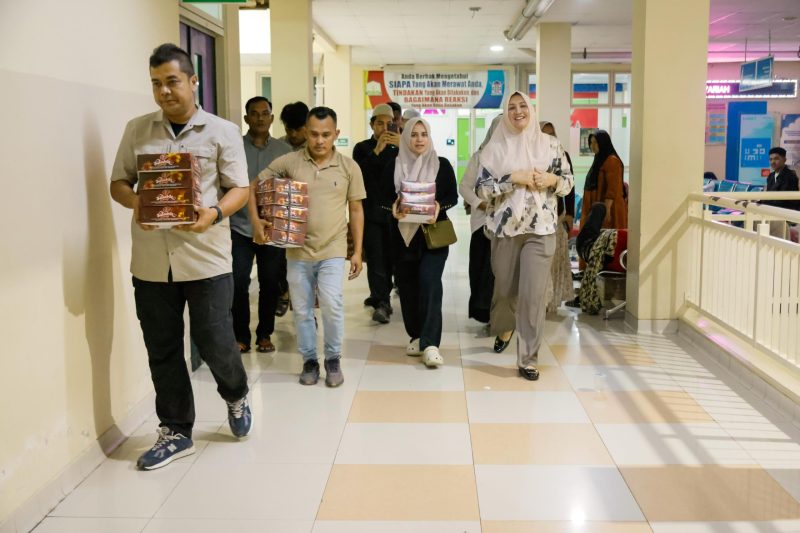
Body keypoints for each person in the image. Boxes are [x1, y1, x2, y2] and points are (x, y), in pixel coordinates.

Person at [109, 43, 252, 470]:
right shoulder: (138, 130)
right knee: (163, 348)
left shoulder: (222, 131)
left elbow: (239, 189)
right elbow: (118, 182)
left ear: (193, 82)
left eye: (172, 82)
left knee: (215, 342)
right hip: (152, 262)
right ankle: (176, 430)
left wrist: (212, 214)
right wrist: (140, 204)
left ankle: (236, 394)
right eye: (156, 84)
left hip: (206, 256)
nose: (164, 92)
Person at [250, 106, 366, 387]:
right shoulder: (290, 162)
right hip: (297, 251)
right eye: (313, 134)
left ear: (336, 134)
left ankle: (333, 358)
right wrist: (257, 221)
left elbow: (357, 210)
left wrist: (358, 251)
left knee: (332, 304)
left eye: (326, 135)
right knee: (301, 310)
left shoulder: (349, 167)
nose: (319, 140)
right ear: (306, 132)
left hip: (333, 249)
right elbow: (254, 184)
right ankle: (309, 361)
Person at [475, 91, 573, 381]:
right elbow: (481, 189)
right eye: (511, 107)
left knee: (533, 296)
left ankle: (528, 358)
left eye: (522, 106)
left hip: (541, 230)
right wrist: (511, 179)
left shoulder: (551, 145)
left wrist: (552, 180)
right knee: (506, 290)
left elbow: (567, 184)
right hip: (506, 230)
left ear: (530, 110)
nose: (518, 111)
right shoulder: (493, 148)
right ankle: (507, 323)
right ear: (505, 113)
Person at [380, 117, 458, 368]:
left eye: (424, 134)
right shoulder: (393, 166)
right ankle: (416, 334)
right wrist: (393, 208)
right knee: (408, 286)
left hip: (433, 236)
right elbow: (381, 198)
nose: (419, 139)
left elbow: (452, 196)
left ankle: (431, 343)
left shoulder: (441, 165)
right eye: (414, 134)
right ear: (405, 137)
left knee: (429, 282)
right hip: (403, 237)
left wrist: (438, 206)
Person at [231, 97, 292, 354]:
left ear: (271, 117)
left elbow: (292, 186)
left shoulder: (284, 150)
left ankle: (264, 334)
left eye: (264, 113)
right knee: (238, 281)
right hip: (239, 226)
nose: (259, 118)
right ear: (246, 119)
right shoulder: (234, 148)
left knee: (269, 283)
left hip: (272, 229)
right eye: (253, 114)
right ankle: (240, 336)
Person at [352, 104, 401, 324]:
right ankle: (382, 302)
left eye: (388, 123)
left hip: (398, 214)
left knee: (394, 259)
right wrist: (378, 150)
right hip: (372, 213)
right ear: (372, 124)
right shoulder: (362, 148)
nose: (383, 128)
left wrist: (404, 147)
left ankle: (386, 294)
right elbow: (359, 175)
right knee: (376, 259)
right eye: (379, 123)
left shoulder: (403, 147)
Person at [460, 115, 502, 325]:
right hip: (482, 223)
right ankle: (484, 312)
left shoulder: (518, 158)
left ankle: (501, 315)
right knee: (481, 269)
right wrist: (481, 204)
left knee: (502, 273)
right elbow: (464, 188)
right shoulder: (479, 157)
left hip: (508, 226)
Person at [540, 121, 576, 313]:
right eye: (544, 134)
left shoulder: (562, 155)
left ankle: (552, 301)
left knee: (556, 260)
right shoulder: (534, 156)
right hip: (539, 220)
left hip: (558, 217)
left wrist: (570, 214)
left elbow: (570, 187)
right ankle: (541, 301)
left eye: (551, 134)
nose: (549, 138)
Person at [575, 203, 627, 315]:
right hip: (609, 256)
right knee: (599, 213)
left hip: (588, 248)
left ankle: (599, 210)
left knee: (599, 207)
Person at [579, 130, 627, 232]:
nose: (593, 146)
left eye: (596, 142)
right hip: (599, 207)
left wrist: (607, 209)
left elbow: (612, 189)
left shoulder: (612, 161)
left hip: (609, 209)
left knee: (608, 240)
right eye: (591, 143)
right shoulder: (599, 160)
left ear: (603, 143)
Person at [763, 147, 800, 238]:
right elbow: (769, 196)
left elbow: (783, 200)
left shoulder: (790, 176)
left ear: (784, 160)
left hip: (785, 211)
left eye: (776, 159)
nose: (773, 162)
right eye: (771, 159)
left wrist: (763, 203)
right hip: (772, 210)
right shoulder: (771, 176)